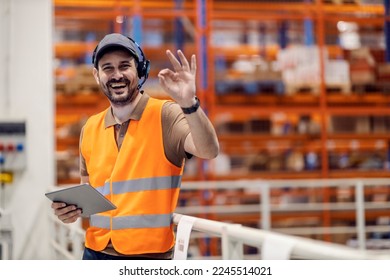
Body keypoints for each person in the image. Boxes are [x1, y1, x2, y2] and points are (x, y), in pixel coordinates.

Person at [51, 33, 219, 260]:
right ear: (96, 75)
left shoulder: (165, 115)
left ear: (139, 70)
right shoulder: (90, 127)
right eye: (107, 68)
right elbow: (88, 195)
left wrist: (189, 103)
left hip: (147, 258)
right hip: (94, 253)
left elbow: (209, 150)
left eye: (124, 66)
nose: (116, 75)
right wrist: (70, 212)